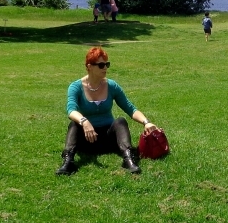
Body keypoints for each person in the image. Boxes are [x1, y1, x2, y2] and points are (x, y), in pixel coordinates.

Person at [57, 46, 160, 176]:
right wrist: (84, 121)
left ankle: (128, 159)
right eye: (101, 65)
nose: (105, 68)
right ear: (89, 66)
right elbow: (71, 110)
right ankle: (68, 162)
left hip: (109, 139)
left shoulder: (111, 85)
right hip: (86, 139)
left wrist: (146, 122)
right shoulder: (76, 87)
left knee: (120, 121)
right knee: (74, 124)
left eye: (107, 64)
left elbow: (130, 108)